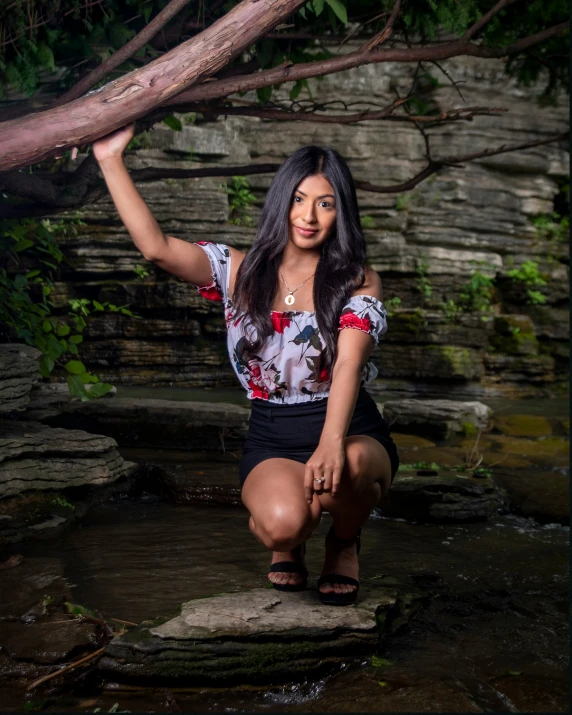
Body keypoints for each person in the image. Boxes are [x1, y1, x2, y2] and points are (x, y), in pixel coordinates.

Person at [93, 123, 400, 606]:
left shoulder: (357, 280)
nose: (309, 216)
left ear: (341, 213)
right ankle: (294, 541)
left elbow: (347, 366)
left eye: (326, 203)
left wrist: (330, 443)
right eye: (299, 199)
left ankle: (343, 539)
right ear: (281, 201)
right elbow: (155, 247)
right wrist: (110, 159)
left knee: (353, 467)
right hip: (273, 435)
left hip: (346, 425)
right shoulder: (238, 272)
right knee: (282, 525)